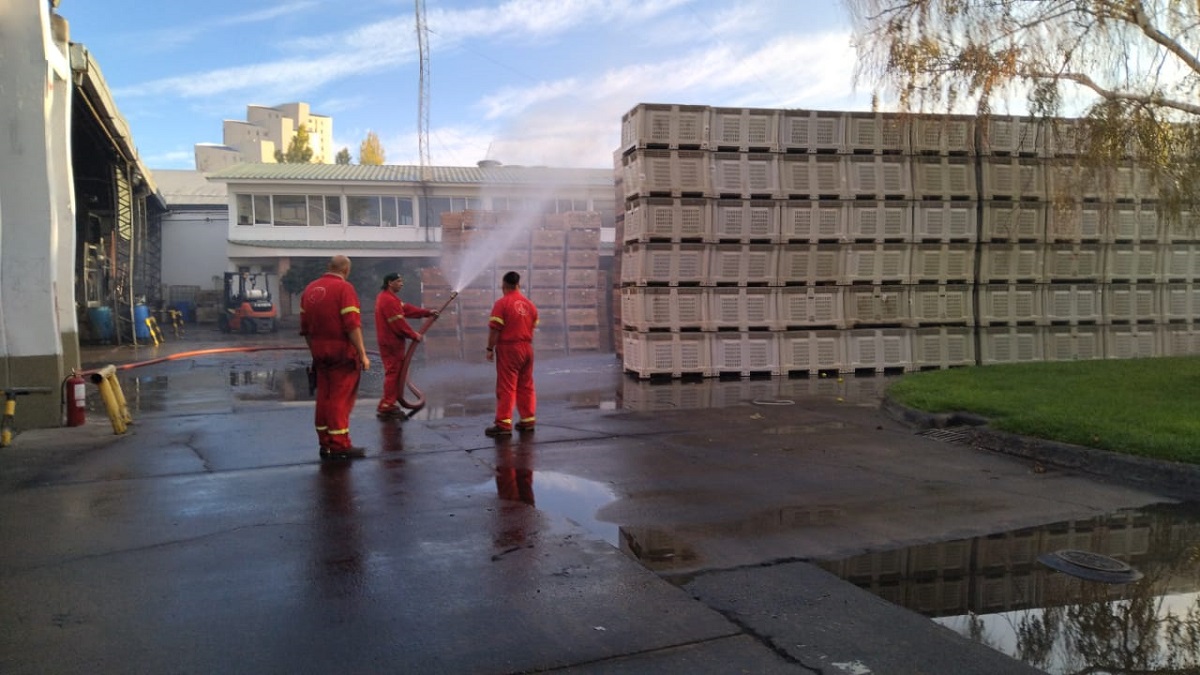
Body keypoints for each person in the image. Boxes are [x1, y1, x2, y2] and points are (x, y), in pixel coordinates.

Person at [300, 255, 371, 460]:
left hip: (319, 351)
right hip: (341, 351)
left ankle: (326, 442)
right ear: (346, 270)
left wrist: (315, 352)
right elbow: (352, 325)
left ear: (328, 267)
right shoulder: (344, 288)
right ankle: (340, 444)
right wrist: (363, 354)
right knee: (340, 397)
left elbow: (305, 330)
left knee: (324, 396)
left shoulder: (310, 289)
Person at [374, 272, 438, 420]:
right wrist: (413, 334)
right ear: (390, 283)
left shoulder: (388, 298)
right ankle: (387, 405)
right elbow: (397, 323)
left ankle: (388, 402)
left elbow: (406, 309)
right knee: (393, 372)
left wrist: (427, 313)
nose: (402, 283)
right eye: (398, 281)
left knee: (395, 372)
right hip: (391, 343)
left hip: (391, 341)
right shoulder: (388, 300)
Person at [485, 271, 539, 437]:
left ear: (504, 286)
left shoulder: (502, 304)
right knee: (526, 385)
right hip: (527, 348)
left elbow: (495, 330)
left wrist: (489, 349)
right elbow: (532, 327)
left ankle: (503, 424)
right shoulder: (530, 305)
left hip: (509, 348)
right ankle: (528, 420)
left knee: (507, 386)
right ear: (518, 285)